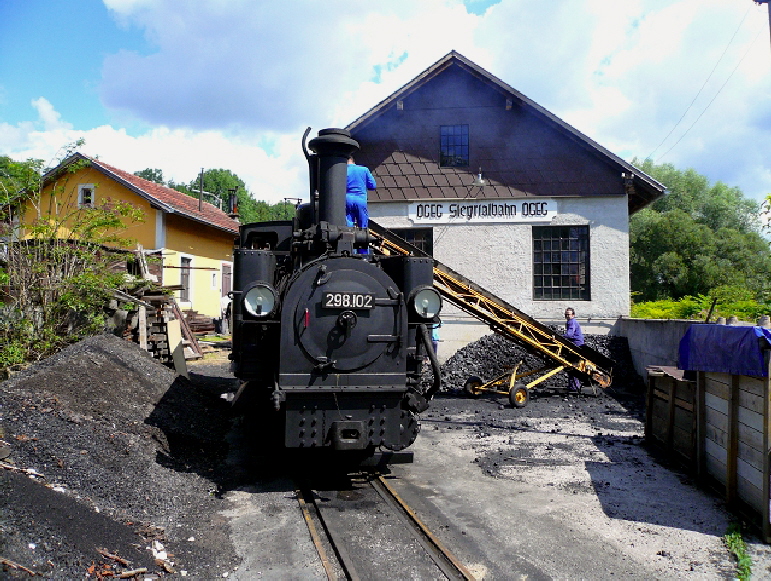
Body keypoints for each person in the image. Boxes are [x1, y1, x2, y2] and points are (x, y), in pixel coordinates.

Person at [345, 156, 376, 229]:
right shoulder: (364, 170)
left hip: (347, 199)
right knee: (363, 226)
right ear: (353, 161)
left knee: (348, 226)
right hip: (360, 199)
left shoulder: (343, 171)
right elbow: (373, 186)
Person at [564, 307, 584, 393]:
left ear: (573, 315)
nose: (567, 316)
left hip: (576, 346)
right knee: (573, 365)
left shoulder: (572, 322)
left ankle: (574, 386)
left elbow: (570, 334)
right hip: (576, 345)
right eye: (566, 314)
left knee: (573, 366)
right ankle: (574, 386)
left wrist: (561, 336)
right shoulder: (572, 321)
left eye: (569, 314)